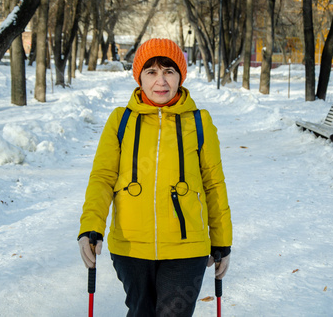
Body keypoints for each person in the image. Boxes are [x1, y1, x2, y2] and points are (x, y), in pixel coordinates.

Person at [78, 38, 232, 317]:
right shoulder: (120, 120)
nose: (161, 81)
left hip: (187, 248)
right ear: (139, 77)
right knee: (140, 312)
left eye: (169, 71)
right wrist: (91, 226)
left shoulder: (199, 121)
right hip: (131, 246)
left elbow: (213, 184)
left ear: (180, 77)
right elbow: (102, 178)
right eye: (151, 72)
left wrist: (222, 241)